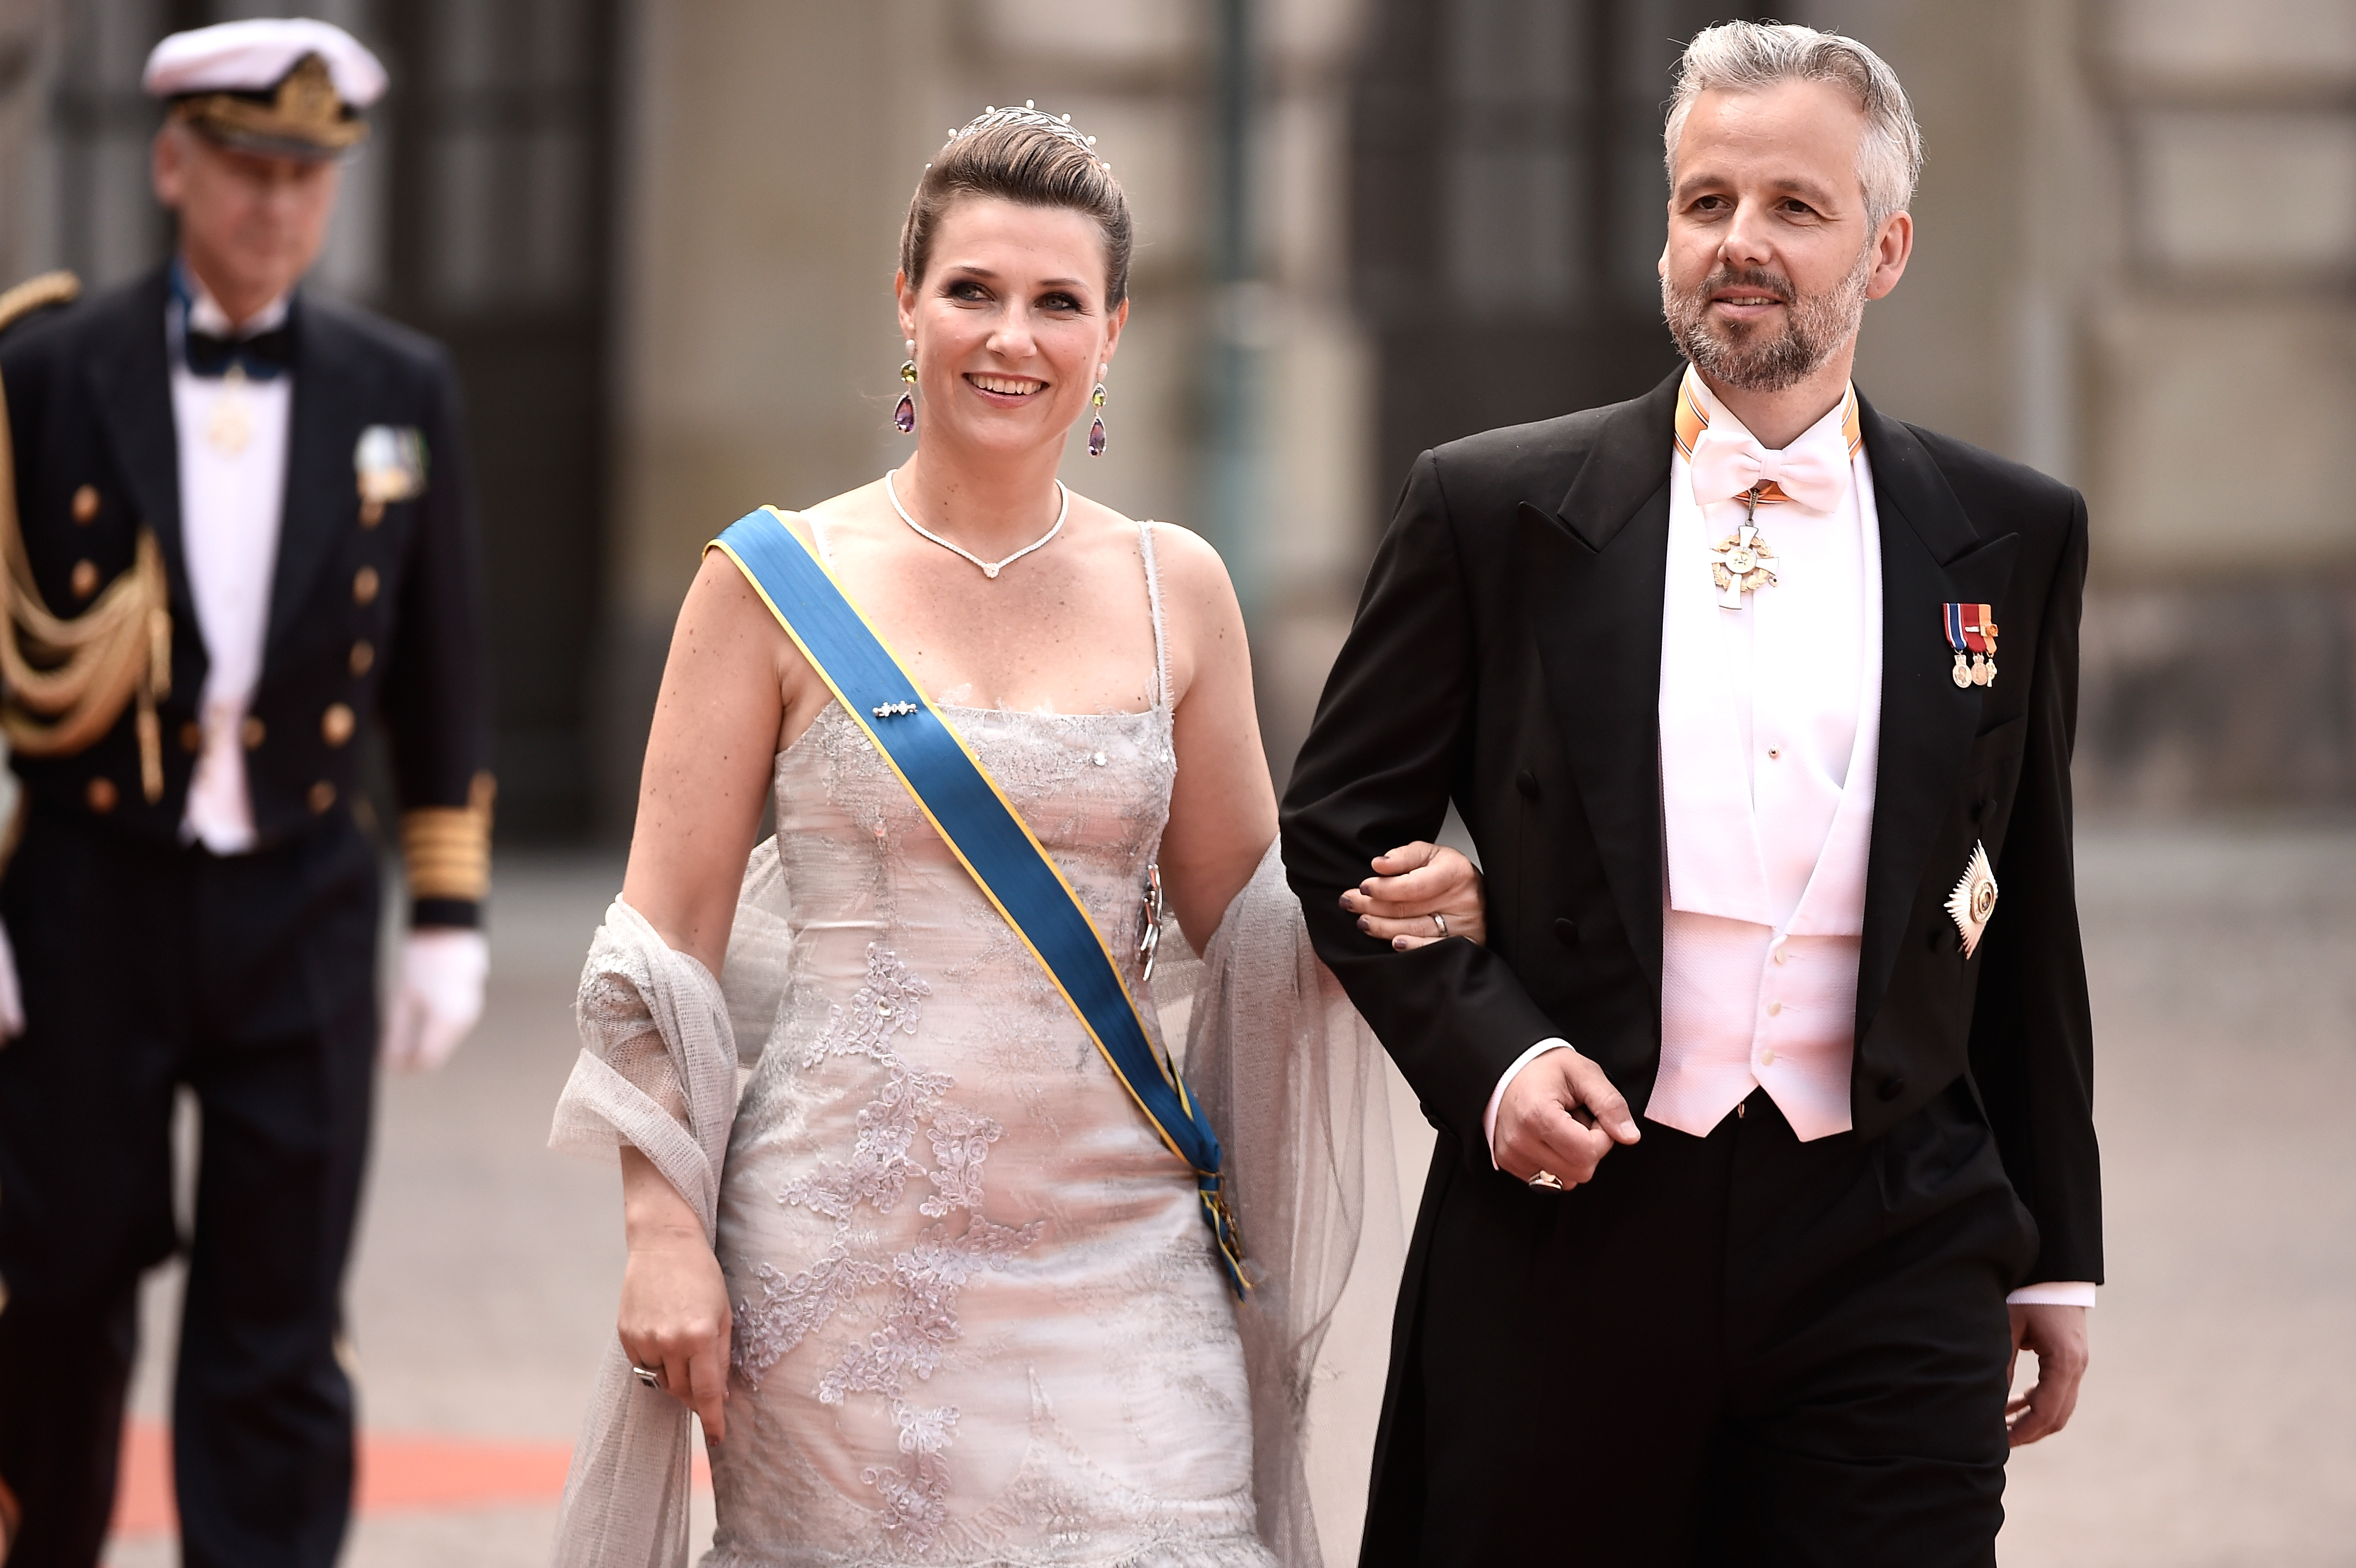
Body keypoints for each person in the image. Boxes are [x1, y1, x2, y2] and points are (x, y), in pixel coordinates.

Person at [548, 105, 1475, 1568]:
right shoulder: (769, 580)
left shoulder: (1183, 589)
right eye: (973, 290)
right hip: (840, 1264)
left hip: (1123, 1247)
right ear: (905, 304)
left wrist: (1420, 903)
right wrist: (664, 1231)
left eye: (1058, 302)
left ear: (1113, 335)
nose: (1010, 337)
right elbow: (662, 944)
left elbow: (1252, 932)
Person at [1281, 22, 2099, 1567]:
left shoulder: (2011, 533)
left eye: (1796, 206)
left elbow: (2032, 903)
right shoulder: (1491, 508)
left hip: (1895, 1233)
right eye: (1706, 200)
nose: (1742, 242)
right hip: (1575, 1228)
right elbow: (1334, 829)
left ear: (1888, 247)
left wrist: (2057, 1256)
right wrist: (1497, 1055)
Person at [0, 20, 492, 1565]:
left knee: (278, 1313)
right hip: (88, 892)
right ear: (172, 167)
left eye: (306, 174)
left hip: (299, 899)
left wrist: (450, 915)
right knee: (53, 1288)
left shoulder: (398, 384)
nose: (277, 204)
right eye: (244, 168)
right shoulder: (43, 370)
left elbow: (443, 664)